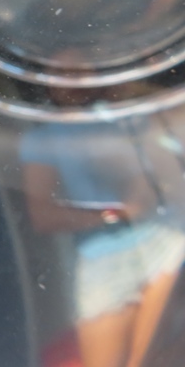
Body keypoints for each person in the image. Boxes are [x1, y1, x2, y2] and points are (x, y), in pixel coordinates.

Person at [21, 86, 185, 367]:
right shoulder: (43, 139)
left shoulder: (126, 118)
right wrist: (116, 213)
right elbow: (42, 216)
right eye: (61, 70)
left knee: (152, 359)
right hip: (105, 261)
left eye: (81, 68)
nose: (72, 76)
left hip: (161, 241)